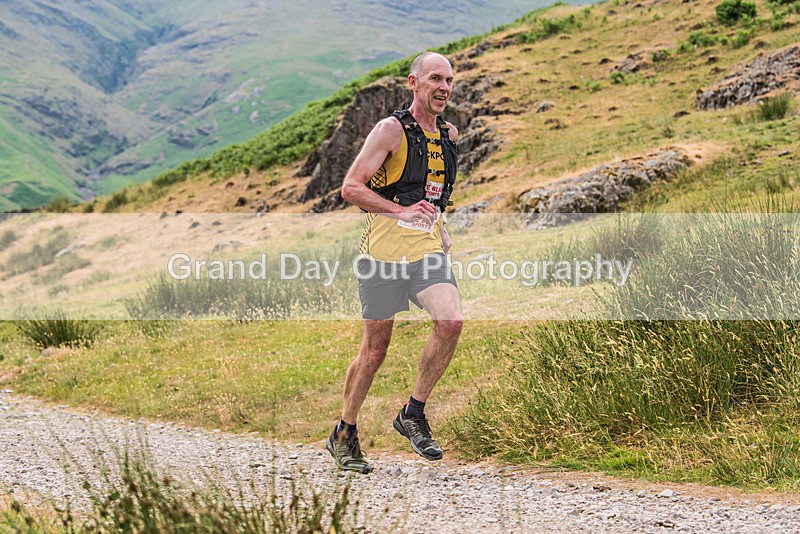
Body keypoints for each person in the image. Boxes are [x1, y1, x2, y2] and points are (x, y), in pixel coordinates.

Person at [326, 52, 464, 474]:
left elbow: (434, 191)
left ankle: (413, 413)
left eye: (450, 81)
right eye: (435, 78)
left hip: (424, 253)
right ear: (414, 83)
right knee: (374, 352)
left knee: (451, 321)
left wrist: (438, 225)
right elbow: (351, 188)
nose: (444, 87)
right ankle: (345, 433)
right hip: (381, 257)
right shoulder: (390, 130)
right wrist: (398, 212)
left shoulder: (449, 134)